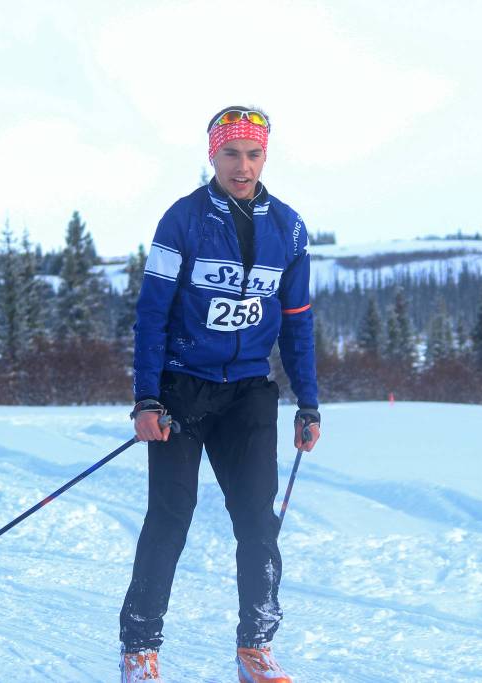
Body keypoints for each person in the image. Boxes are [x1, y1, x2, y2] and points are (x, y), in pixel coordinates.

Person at [119, 106, 321, 683]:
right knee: (170, 516)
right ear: (213, 155)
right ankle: (140, 650)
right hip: (182, 390)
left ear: (265, 157)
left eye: (253, 154)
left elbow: (298, 321)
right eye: (231, 153)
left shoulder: (291, 228)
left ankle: (255, 648)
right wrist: (147, 398)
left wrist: (308, 402)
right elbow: (152, 314)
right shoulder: (181, 220)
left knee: (259, 521)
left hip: (249, 394)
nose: (242, 165)